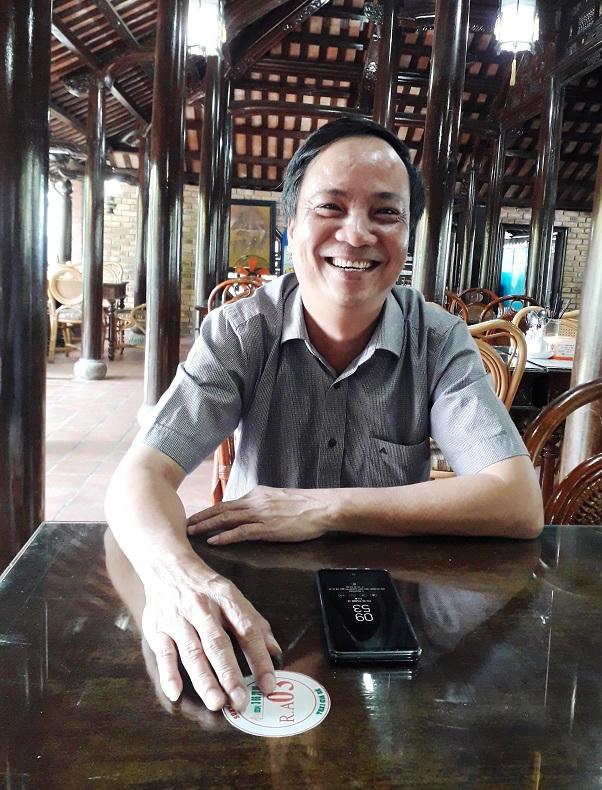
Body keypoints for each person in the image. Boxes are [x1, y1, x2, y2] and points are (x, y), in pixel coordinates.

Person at [105, 117, 544, 713]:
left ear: (407, 236)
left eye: (385, 213)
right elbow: (140, 475)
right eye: (330, 207)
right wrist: (179, 577)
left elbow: (518, 501)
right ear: (291, 227)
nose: (357, 234)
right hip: (254, 605)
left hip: (388, 615)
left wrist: (323, 506)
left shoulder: (438, 339)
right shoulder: (242, 331)